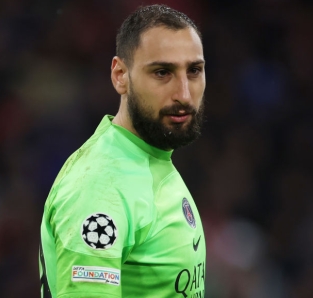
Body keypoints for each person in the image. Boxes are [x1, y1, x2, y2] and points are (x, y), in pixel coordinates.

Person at [39, 5, 207, 298]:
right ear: (120, 76)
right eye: (162, 72)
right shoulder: (102, 187)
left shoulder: (148, 157)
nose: (183, 93)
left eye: (193, 71)